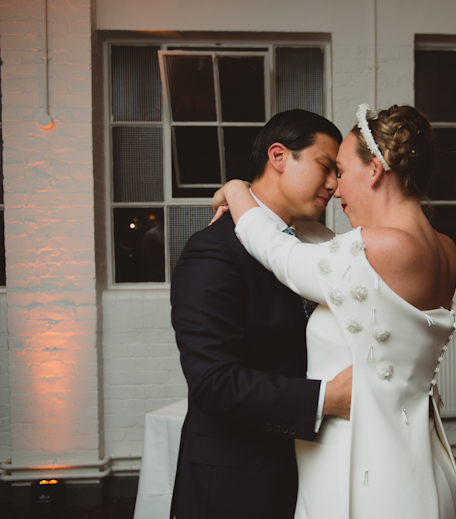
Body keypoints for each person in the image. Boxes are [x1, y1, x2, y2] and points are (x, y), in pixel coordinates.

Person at [214, 104, 456, 519]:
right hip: (416, 461)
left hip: (367, 472)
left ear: (373, 172)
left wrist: (237, 189)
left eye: (341, 170)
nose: (334, 187)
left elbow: (283, 256)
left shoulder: (381, 247)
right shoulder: (443, 248)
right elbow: (334, 253)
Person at [170, 109, 353, 519]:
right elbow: (213, 383)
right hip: (237, 481)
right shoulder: (213, 251)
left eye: (338, 173)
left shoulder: (308, 244)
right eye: (326, 167)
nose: (333, 185)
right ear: (279, 156)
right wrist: (327, 398)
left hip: (304, 469)